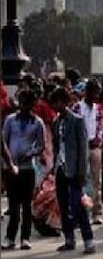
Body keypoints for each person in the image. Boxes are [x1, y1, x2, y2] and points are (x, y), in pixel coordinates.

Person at [50, 86, 97, 255]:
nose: (56, 106)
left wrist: (82, 173)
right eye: (54, 103)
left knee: (79, 206)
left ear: (66, 102)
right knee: (63, 206)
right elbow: (56, 146)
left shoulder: (77, 121)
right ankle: (69, 239)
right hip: (61, 169)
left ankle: (89, 241)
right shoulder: (56, 122)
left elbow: (83, 150)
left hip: (75, 170)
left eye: (58, 102)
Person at [2, 89, 46, 251]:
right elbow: (4, 142)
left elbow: (41, 146)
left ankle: (25, 237)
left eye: (28, 103)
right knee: (13, 206)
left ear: (32, 104)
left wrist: (30, 153)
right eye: (22, 103)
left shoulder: (37, 123)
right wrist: (5, 164)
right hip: (11, 168)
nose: (24, 106)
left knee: (27, 205)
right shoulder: (10, 121)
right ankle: (10, 237)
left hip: (28, 168)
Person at [74, 79, 103, 225]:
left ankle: (96, 212)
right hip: (80, 149)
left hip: (94, 148)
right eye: (94, 92)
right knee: (81, 181)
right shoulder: (77, 107)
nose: (96, 95)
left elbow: (101, 127)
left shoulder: (98, 109)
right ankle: (82, 213)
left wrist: (97, 140)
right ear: (87, 92)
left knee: (96, 181)